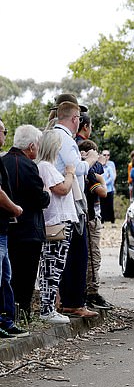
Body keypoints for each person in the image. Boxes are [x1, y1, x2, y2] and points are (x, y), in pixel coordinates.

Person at [53, 99, 99, 318]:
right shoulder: (66, 139)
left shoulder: (52, 135)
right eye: (79, 118)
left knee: (63, 253)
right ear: (75, 119)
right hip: (70, 203)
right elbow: (76, 168)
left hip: (60, 203)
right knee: (76, 254)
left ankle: (64, 299)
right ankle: (74, 302)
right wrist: (90, 159)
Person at [2, 125, 50, 323]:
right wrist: (46, 194)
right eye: (37, 146)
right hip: (28, 229)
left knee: (8, 276)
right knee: (26, 276)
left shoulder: (3, 161)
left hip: (7, 228)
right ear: (31, 146)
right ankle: (23, 313)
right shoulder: (29, 166)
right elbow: (40, 198)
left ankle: (8, 313)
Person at [36, 130, 77, 324]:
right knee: (53, 265)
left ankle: (49, 306)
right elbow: (62, 188)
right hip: (56, 223)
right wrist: (69, 173)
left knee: (52, 266)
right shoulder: (46, 167)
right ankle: (47, 308)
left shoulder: (45, 167)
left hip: (56, 222)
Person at [0, 118, 27, 338]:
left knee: (6, 277)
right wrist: (15, 208)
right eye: (3, 131)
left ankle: (6, 320)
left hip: (3, 229)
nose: (5, 135)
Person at [78, 140, 112, 310]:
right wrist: (100, 179)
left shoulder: (88, 170)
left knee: (91, 256)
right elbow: (102, 191)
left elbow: (100, 169)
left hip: (91, 217)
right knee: (93, 257)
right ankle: (91, 292)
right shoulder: (89, 174)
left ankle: (89, 290)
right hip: (90, 218)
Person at [100, 149, 116, 223]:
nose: (106, 156)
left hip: (109, 188)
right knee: (102, 205)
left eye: (108, 155)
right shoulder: (99, 165)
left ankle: (112, 221)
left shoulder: (110, 165)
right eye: (104, 155)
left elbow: (112, 176)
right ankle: (102, 220)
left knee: (110, 205)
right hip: (101, 188)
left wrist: (104, 183)